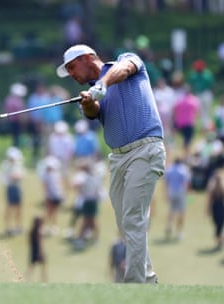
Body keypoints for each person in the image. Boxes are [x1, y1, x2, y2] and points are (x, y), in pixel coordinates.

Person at [56, 44, 165, 283]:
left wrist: (101, 86)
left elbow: (124, 69)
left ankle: (136, 286)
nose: (72, 74)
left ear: (87, 58)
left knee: (133, 218)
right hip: (118, 158)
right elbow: (94, 112)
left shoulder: (126, 60)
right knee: (125, 224)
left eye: (72, 67)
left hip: (145, 149)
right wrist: (87, 102)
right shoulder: (90, 93)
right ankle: (148, 279)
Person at [163, 158, 191, 241]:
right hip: (181, 192)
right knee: (181, 213)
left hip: (171, 192)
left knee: (171, 210)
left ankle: (169, 225)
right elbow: (186, 183)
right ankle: (179, 232)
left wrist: (166, 193)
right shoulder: (184, 170)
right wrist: (188, 196)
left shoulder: (169, 169)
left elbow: (166, 182)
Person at [0, 146, 25, 236]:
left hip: (17, 187)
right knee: (9, 208)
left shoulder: (18, 164)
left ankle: (18, 226)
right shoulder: (6, 165)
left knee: (19, 208)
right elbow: (9, 177)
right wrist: (15, 176)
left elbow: (21, 175)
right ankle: (8, 227)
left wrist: (17, 176)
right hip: (11, 188)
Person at [173, 84, 200, 161]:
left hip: (180, 123)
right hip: (189, 123)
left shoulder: (179, 100)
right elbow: (197, 113)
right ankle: (186, 156)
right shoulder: (194, 100)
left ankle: (184, 155)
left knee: (184, 140)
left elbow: (175, 111)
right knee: (187, 140)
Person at [205, 172, 224, 251]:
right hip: (221, 207)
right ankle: (220, 241)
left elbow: (209, 200)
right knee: (220, 226)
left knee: (218, 226)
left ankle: (219, 242)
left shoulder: (213, 188)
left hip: (216, 207)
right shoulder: (223, 188)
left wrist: (207, 210)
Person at [3, 82, 27, 147]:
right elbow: (20, 112)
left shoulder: (8, 99)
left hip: (10, 120)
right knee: (16, 137)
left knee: (15, 137)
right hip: (16, 121)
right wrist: (23, 122)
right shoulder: (18, 100)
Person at [25, 216, 47, 282]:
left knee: (31, 267)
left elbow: (29, 242)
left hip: (33, 251)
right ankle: (44, 280)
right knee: (43, 267)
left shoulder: (31, 231)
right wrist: (41, 253)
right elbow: (40, 243)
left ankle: (24, 279)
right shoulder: (39, 232)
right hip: (38, 251)